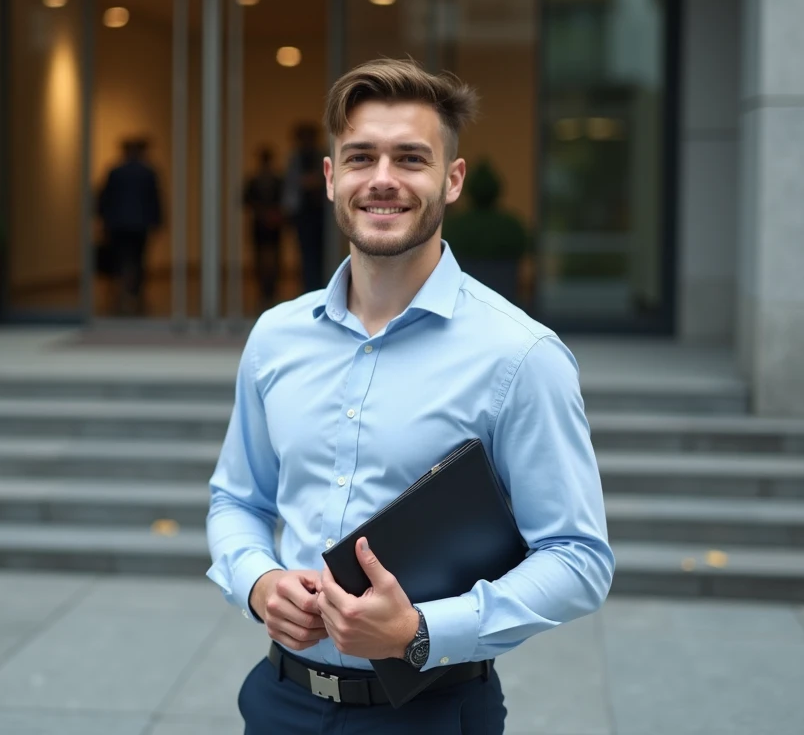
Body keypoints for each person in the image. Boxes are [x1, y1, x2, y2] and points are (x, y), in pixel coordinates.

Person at [206, 58, 614, 734]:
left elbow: (577, 558)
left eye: (411, 158)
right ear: (332, 177)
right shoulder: (276, 337)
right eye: (361, 157)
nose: (384, 180)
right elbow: (237, 499)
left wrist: (423, 629)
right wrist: (257, 582)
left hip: (431, 712)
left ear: (452, 180)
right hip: (279, 703)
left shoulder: (522, 356)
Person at [97, 138, 162, 315]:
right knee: (138, 258)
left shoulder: (115, 172)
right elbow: (154, 200)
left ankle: (122, 291)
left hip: (118, 224)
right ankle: (134, 292)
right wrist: (157, 222)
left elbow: (104, 199)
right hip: (140, 225)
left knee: (121, 258)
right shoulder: (148, 173)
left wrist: (103, 220)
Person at [282, 122, 327, 292]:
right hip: (302, 213)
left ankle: (321, 287)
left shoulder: (321, 157)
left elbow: (321, 181)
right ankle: (309, 288)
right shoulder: (295, 159)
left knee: (321, 253)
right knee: (305, 252)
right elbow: (292, 186)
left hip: (321, 212)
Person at [244, 147, 286, 310]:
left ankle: (272, 288)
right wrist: (261, 212)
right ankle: (263, 289)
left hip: (274, 224)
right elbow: (246, 200)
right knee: (260, 258)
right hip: (259, 223)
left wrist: (275, 214)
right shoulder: (253, 181)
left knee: (274, 257)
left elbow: (285, 201)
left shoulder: (277, 181)